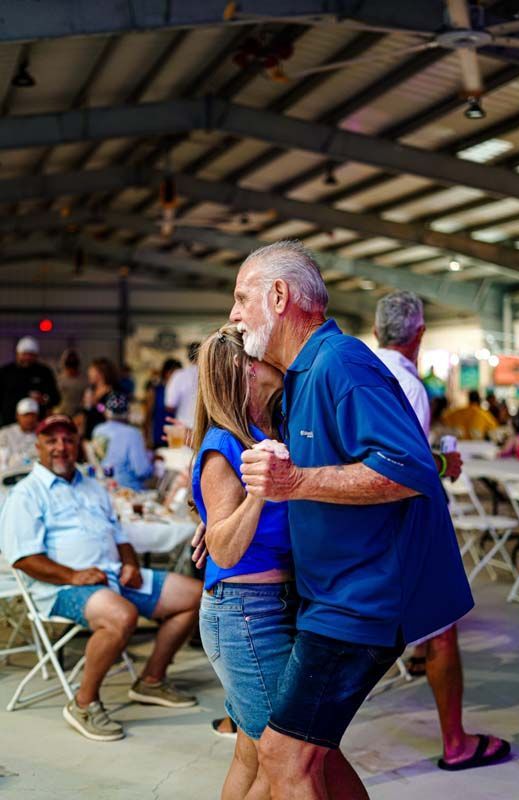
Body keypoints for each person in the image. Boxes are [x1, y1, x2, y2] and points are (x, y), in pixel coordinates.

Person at [232, 240, 474, 800]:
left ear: (279, 295)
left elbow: (407, 468)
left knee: (284, 757)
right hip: (333, 596)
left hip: (360, 602)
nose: (235, 314)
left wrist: (294, 483)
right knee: (306, 757)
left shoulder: (341, 362)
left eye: (242, 298)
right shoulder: (302, 373)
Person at [0, 414, 201, 742]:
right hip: (62, 586)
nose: (61, 447)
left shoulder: (91, 486)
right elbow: (23, 558)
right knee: (122, 616)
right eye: (51, 441)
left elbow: (120, 536)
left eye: (68, 439)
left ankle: (150, 680)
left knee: (195, 595)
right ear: (38, 446)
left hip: (112, 576)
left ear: (77, 444)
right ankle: (83, 703)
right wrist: (73, 575)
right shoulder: (26, 494)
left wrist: (131, 564)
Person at [374, 290, 510, 770]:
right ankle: (455, 742)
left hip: (369, 528)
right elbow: (401, 467)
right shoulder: (409, 387)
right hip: (407, 524)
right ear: (421, 335)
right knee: (444, 627)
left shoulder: (365, 374)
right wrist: (441, 462)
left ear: (375, 333)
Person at [192, 324, 296, 799]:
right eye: (264, 351)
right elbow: (225, 549)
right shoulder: (226, 446)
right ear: (247, 369)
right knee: (281, 757)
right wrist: (260, 492)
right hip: (246, 613)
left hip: (266, 607)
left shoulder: (269, 430)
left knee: (254, 752)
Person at [92, 393, 153, 491]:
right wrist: (152, 461)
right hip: (127, 492)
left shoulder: (98, 430)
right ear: (128, 413)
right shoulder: (133, 433)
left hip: (102, 487)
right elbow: (141, 471)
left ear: (106, 412)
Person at [0, 336, 60, 426]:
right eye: (24, 354)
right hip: (9, 422)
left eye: (31, 355)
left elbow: (56, 398)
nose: (27, 358)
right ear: (17, 354)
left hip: (37, 424)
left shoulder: (44, 372)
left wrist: (44, 399)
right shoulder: (5, 372)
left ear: (36, 355)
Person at [144, 358, 181, 448]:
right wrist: (146, 437)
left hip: (176, 437)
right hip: (159, 436)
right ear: (166, 373)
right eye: (174, 373)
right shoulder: (155, 391)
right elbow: (148, 415)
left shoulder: (181, 392)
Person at [165, 342, 200, 431]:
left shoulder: (179, 375)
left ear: (188, 356)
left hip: (183, 428)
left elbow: (170, 405)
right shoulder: (212, 375)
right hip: (205, 430)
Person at [84, 357, 120, 439]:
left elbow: (112, 416)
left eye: (91, 371)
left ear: (100, 373)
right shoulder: (91, 391)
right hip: (90, 435)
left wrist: (97, 405)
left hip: (106, 437)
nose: (88, 373)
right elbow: (86, 414)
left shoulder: (113, 393)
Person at [0, 397, 39, 469]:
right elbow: (2, 463)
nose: (29, 419)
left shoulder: (44, 434)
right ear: (17, 416)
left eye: (32, 415)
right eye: (25, 415)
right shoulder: (5, 434)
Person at [57, 349, 86, 417]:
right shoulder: (58, 380)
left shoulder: (84, 381)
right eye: (69, 365)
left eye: (74, 365)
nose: (71, 370)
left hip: (78, 414)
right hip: (62, 413)